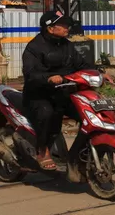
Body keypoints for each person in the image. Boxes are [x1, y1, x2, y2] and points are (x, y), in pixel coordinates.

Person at [22, 10, 89, 170]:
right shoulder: (34, 47)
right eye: (63, 25)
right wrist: (48, 78)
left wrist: (100, 72)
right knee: (47, 114)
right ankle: (42, 150)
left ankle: (83, 150)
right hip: (39, 94)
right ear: (50, 28)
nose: (67, 28)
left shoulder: (67, 45)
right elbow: (30, 74)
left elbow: (82, 64)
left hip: (63, 93)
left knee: (87, 113)